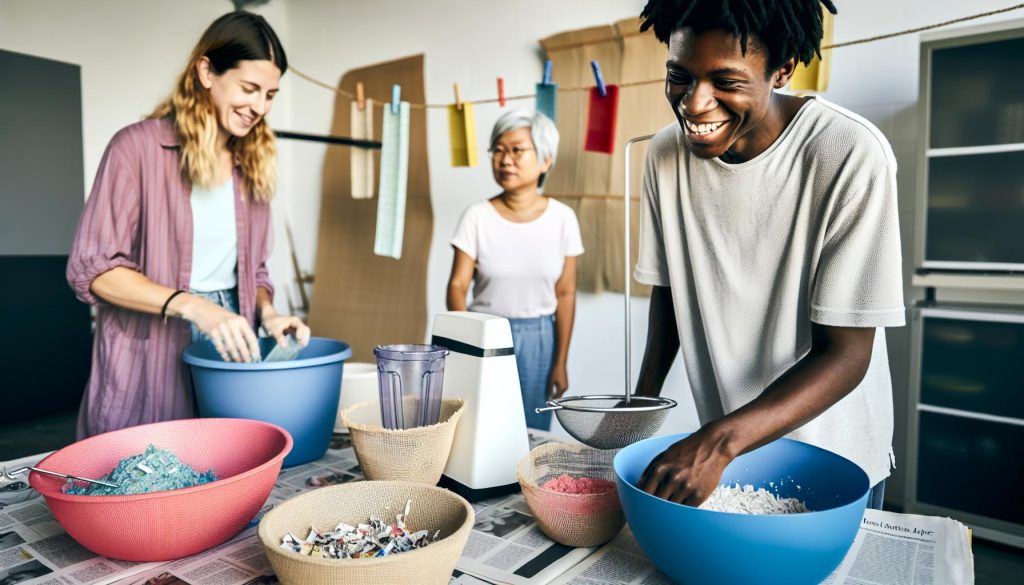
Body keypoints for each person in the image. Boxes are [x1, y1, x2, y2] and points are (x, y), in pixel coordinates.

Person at [632, 0, 904, 511]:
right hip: (728, 453)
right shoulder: (665, 154)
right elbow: (671, 290)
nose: (694, 104)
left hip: (830, 458)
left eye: (726, 82)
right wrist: (641, 407)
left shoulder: (848, 153)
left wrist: (716, 443)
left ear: (781, 70)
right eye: (679, 77)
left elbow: (847, 355)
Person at [67, 12, 310, 439]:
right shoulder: (135, 149)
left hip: (230, 340)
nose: (260, 107)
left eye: (270, 94)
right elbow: (94, 270)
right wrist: (195, 306)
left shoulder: (252, 165)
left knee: (224, 469)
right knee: (146, 479)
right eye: (249, 88)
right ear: (206, 72)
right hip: (153, 339)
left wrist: (269, 313)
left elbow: (252, 273)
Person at [446, 110, 584, 430]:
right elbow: (456, 285)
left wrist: (560, 362)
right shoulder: (476, 217)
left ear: (546, 160)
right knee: (479, 429)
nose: (505, 159)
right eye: (498, 149)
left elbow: (565, 293)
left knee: (529, 431)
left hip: (540, 337)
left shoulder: (563, 219)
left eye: (517, 150)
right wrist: (470, 339)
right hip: (485, 332)